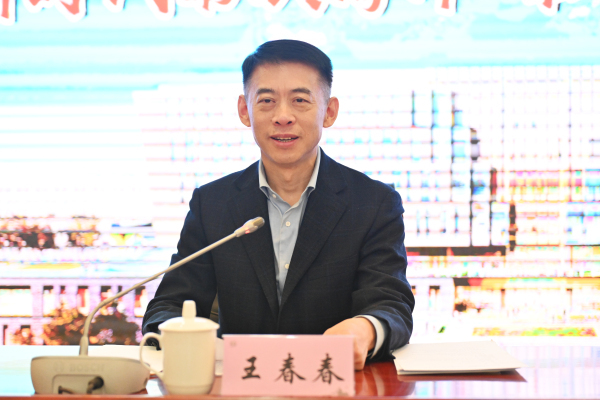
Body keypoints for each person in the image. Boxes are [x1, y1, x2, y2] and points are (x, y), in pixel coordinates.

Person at [142, 39, 414, 370]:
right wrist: (180, 338)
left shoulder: (373, 203)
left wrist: (367, 329)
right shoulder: (212, 203)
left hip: (336, 381)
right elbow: (169, 305)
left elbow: (391, 304)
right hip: (239, 382)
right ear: (245, 111)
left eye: (300, 100)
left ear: (329, 112)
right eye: (267, 101)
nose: (283, 117)